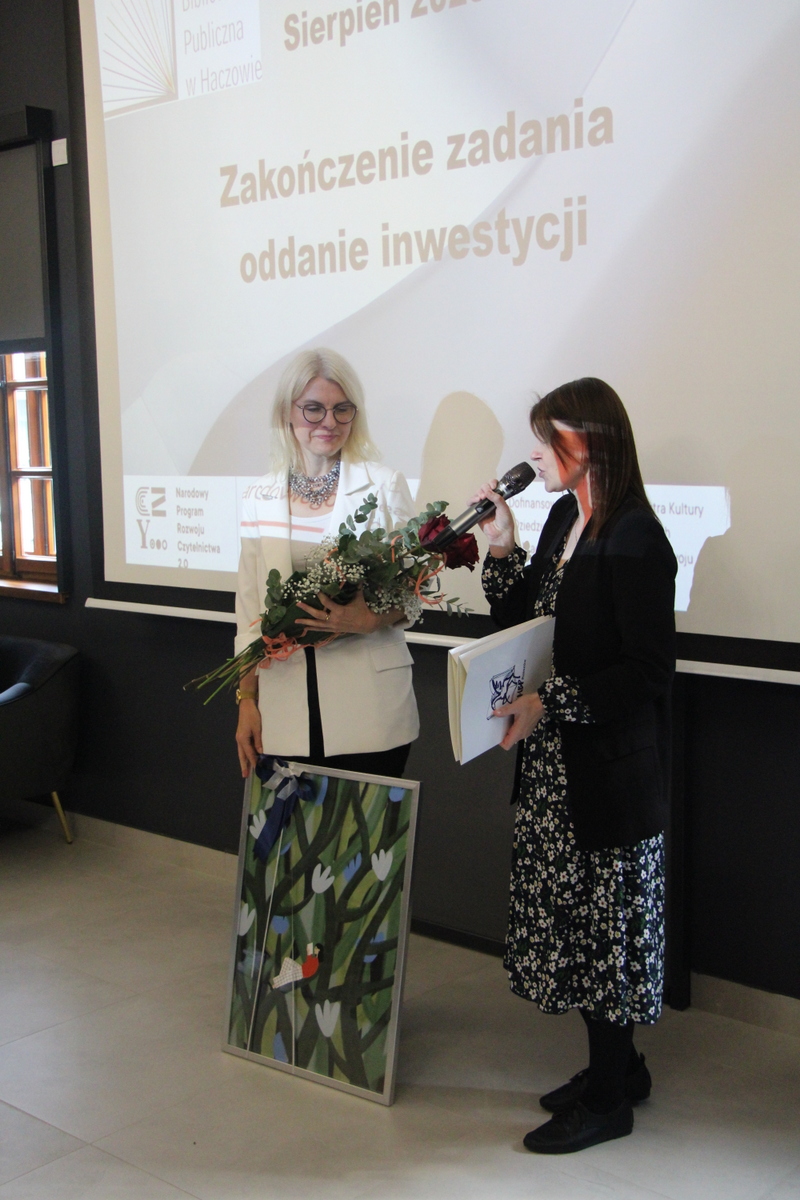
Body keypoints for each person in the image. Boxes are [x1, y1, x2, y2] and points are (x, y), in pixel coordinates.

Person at [475, 377, 677, 1155]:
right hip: (557, 770)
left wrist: (550, 702)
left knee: (604, 938)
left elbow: (646, 672)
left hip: (608, 774)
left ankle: (609, 1101)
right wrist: (501, 545)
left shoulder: (636, 537)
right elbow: (523, 621)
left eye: (547, 438)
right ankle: (621, 1070)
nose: (534, 453)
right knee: (579, 930)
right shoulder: (564, 518)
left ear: (589, 442)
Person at [234, 348, 418, 778]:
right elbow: (249, 611)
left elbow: (416, 590)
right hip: (283, 708)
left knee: (366, 823)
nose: (329, 422)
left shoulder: (384, 485)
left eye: (342, 409)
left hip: (371, 708)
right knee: (291, 824)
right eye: (314, 409)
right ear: (287, 412)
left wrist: (370, 619)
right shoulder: (258, 497)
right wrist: (247, 699)